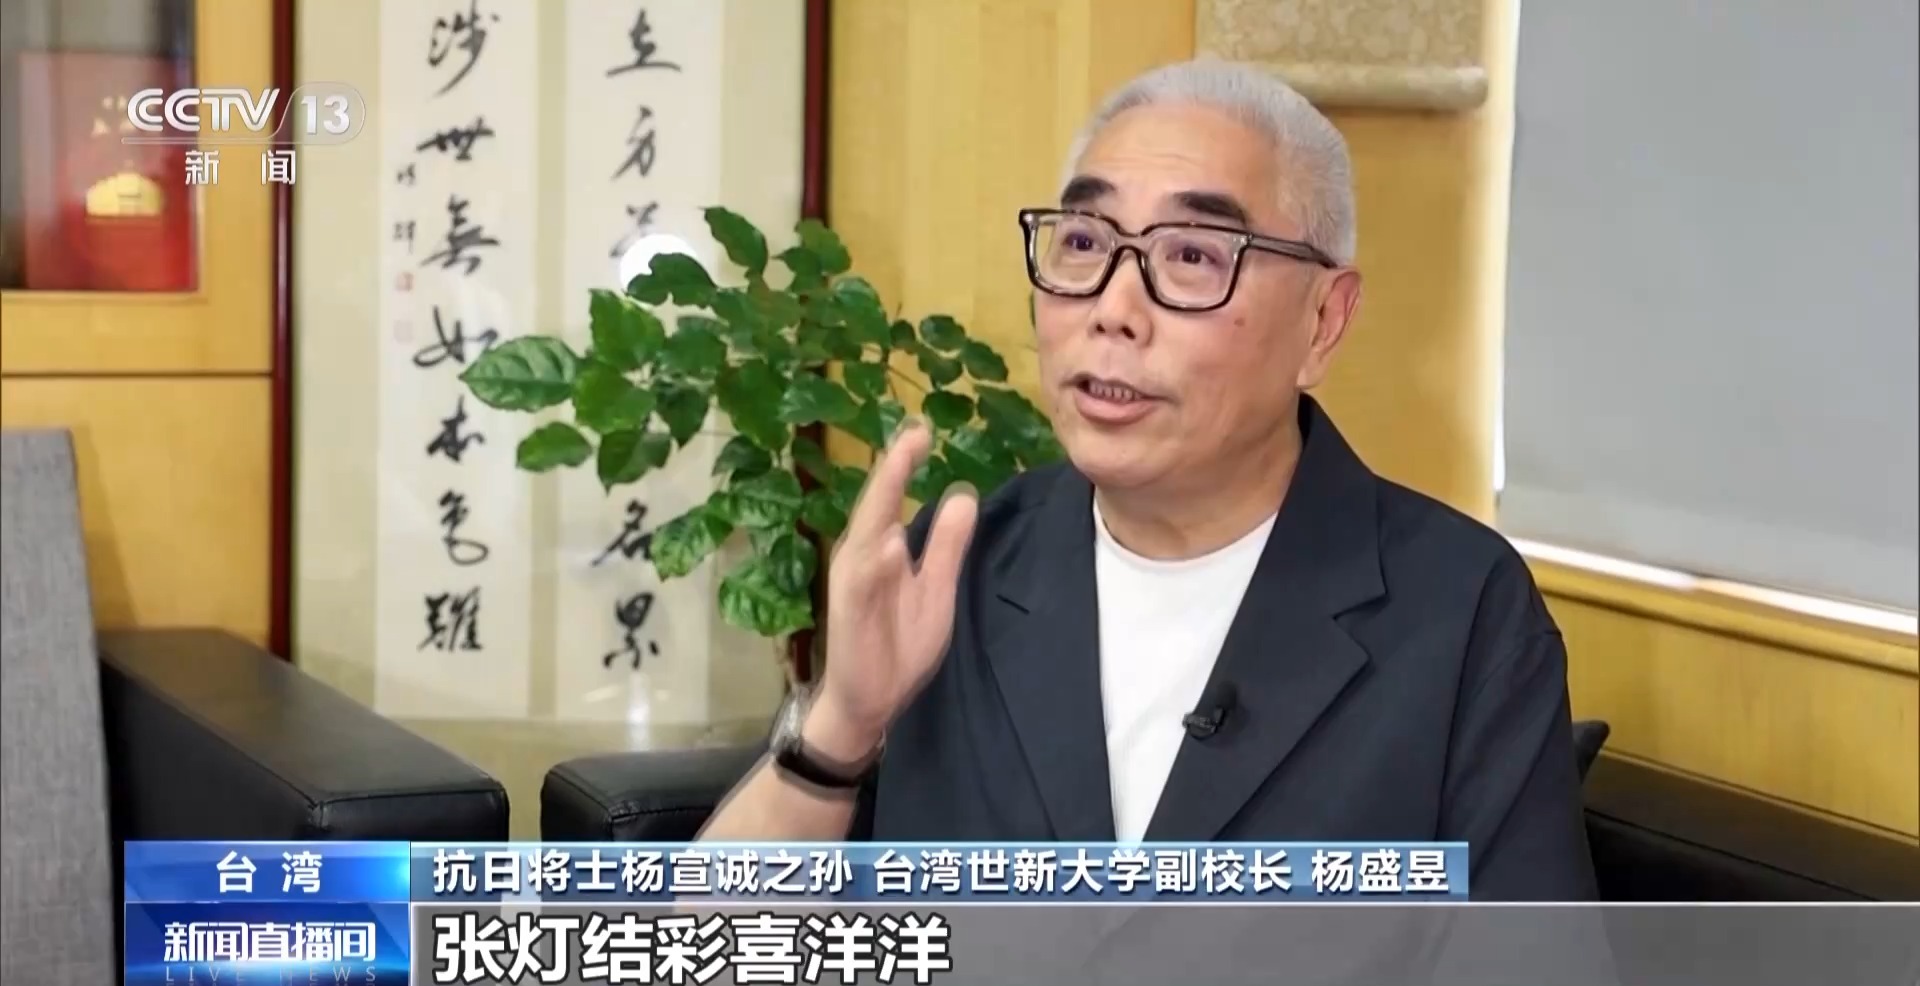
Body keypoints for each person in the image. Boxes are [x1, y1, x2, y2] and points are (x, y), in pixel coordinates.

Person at [700, 58, 1598, 901]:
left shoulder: (1459, 613)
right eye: (1083, 241)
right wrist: (843, 726)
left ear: (1323, 321)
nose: (1114, 309)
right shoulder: (955, 572)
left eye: (1193, 256)